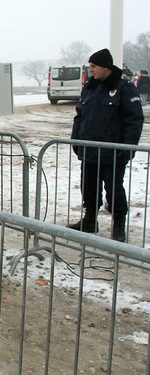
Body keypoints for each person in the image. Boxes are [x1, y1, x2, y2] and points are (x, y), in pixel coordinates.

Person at [68, 49, 144, 241]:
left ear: (105, 67)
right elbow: (79, 116)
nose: (90, 70)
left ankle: (118, 225)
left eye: (93, 66)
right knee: (89, 187)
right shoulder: (90, 87)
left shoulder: (124, 87)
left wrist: (128, 149)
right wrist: (76, 140)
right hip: (89, 151)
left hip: (113, 153)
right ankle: (89, 221)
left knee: (114, 189)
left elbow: (134, 121)